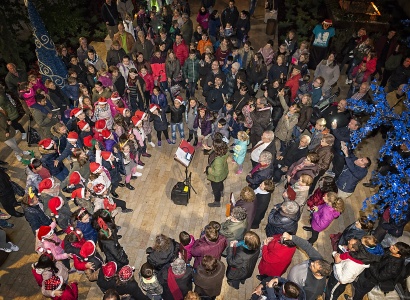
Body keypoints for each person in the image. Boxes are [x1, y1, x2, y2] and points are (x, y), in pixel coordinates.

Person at [284, 232, 332, 300]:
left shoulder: (314, 290)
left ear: (318, 274)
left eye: (313, 266)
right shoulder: (319, 260)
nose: (311, 263)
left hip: (292, 286)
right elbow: (307, 246)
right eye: (314, 262)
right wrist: (291, 237)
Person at [206, 135, 229, 207]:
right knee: (220, 183)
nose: (212, 146)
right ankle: (221, 191)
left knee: (216, 189)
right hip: (223, 172)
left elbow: (216, 173)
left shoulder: (218, 160)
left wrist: (207, 169)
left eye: (213, 145)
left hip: (217, 177)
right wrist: (208, 148)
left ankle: (217, 201)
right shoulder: (224, 150)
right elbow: (214, 153)